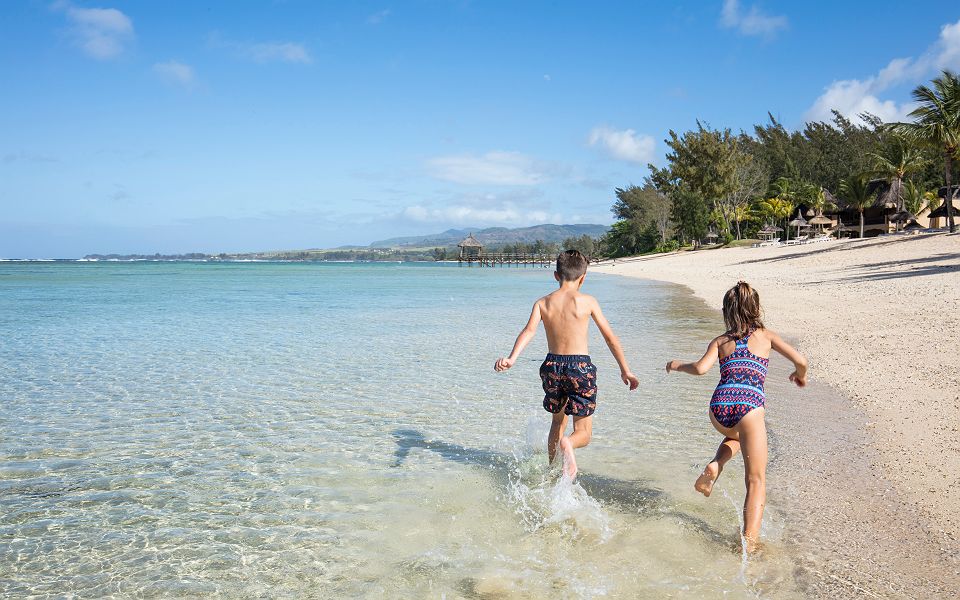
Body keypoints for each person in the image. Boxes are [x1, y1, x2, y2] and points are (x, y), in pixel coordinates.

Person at [665, 281, 807, 552]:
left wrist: (676, 365)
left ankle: (716, 464)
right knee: (756, 480)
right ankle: (750, 545)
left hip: (719, 408)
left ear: (726, 311)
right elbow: (801, 361)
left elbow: (700, 369)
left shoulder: (721, 341)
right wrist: (799, 375)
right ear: (756, 309)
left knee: (740, 436)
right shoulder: (766, 336)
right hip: (748, 406)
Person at [494, 249, 639, 479]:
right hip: (580, 367)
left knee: (557, 422)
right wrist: (625, 370)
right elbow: (610, 337)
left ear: (556, 275)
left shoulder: (542, 303)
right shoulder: (587, 301)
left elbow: (529, 331)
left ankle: (553, 471)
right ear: (583, 278)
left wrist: (512, 358)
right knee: (583, 432)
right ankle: (569, 444)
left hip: (552, 367)